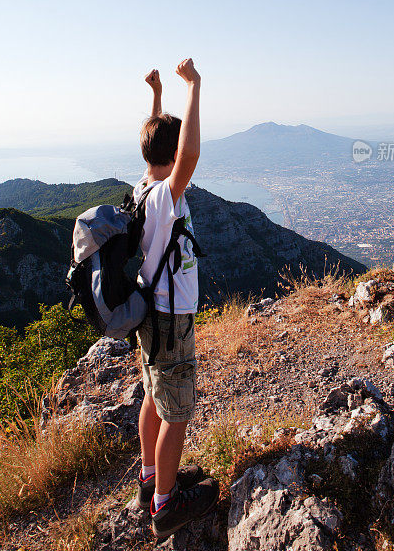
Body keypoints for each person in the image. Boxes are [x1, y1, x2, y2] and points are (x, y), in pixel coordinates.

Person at [132, 59, 218, 542]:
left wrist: (157, 95)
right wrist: (194, 88)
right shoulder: (166, 195)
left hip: (151, 316)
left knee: (153, 395)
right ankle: (166, 505)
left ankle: (150, 480)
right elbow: (188, 155)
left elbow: (159, 141)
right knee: (177, 413)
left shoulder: (142, 188)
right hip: (171, 319)